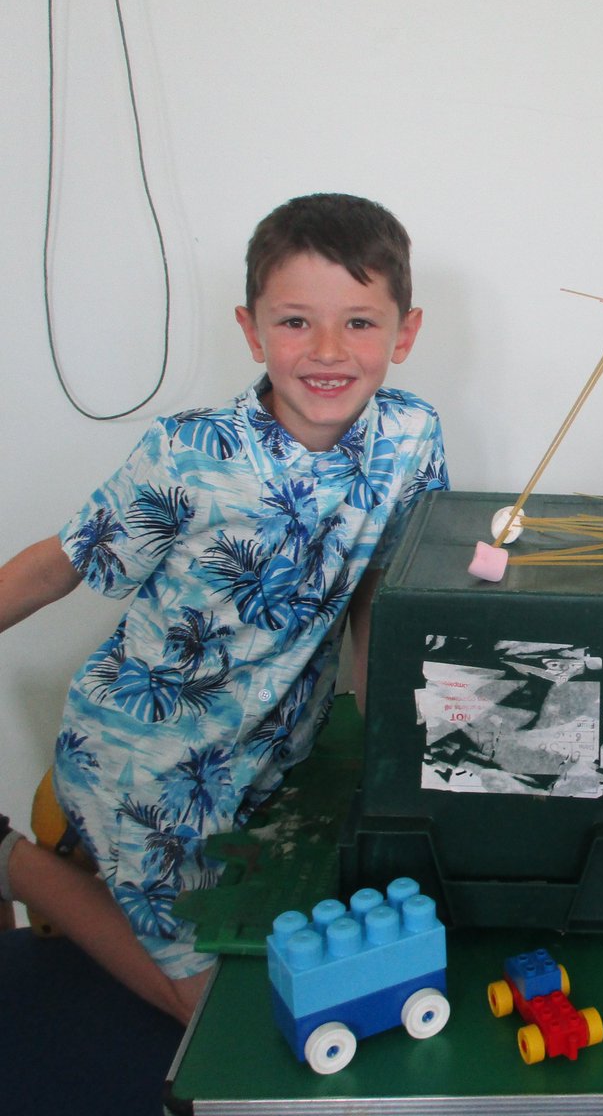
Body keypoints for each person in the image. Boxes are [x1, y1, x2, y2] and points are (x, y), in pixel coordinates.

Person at [0, 192, 448, 1024]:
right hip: (146, 757)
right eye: (295, 322)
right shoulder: (189, 454)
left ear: (405, 332)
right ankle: (11, 862)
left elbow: (377, 575)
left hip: (277, 750)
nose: (327, 351)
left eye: (358, 322)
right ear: (251, 330)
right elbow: (59, 567)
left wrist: (379, 706)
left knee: (290, 954)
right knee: (209, 1012)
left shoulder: (411, 437)